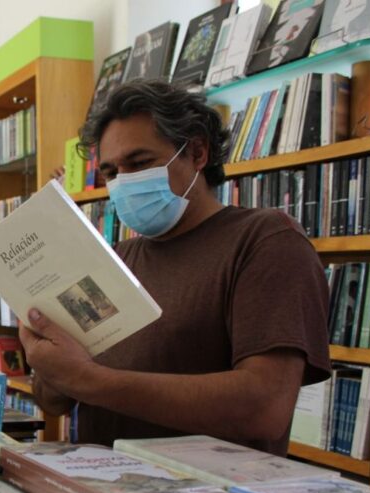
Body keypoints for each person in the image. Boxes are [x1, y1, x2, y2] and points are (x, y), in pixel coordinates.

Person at [22, 80, 330, 456]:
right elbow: (53, 402)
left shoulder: (265, 241)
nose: (123, 183)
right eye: (111, 172)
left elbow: (264, 408)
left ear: (197, 152)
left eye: (139, 163)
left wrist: (89, 380)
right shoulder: (114, 258)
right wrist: (46, 356)